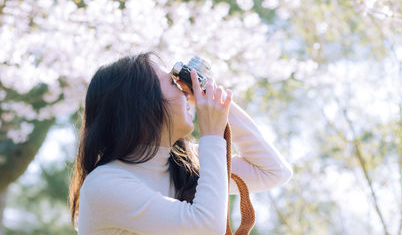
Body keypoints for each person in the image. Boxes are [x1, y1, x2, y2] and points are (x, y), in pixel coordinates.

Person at [69, 52, 293, 235]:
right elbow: (206, 227)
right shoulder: (105, 184)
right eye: (172, 82)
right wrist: (212, 136)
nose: (184, 91)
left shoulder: (183, 163)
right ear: (142, 104)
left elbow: (274, 172)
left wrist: (215, 100)